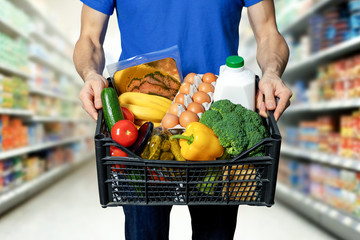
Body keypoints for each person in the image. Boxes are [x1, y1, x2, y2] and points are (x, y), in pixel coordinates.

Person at [73, 0, 293, 239]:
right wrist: (90, 74)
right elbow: (89, 39)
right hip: (139, 131)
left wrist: (272, 72)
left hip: (216, 127)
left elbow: (269, 32)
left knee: (215, 234)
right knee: (144, 233)